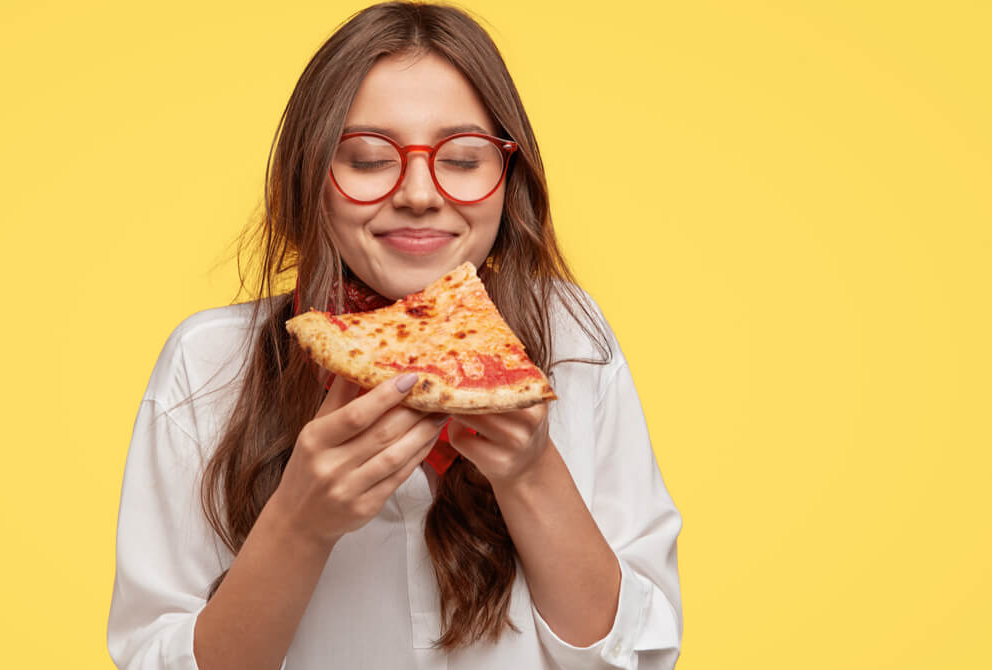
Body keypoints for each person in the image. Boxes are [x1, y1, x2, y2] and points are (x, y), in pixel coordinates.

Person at [106, 3, 682, 669]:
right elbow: (156, 658)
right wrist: (299, 522)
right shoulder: (208, 363)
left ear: (508, 178)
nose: (417, 192)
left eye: (463, 159)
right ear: (311, 176)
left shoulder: (573, 338)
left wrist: (529, 474)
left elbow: (631, 659)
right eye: (369, 158)